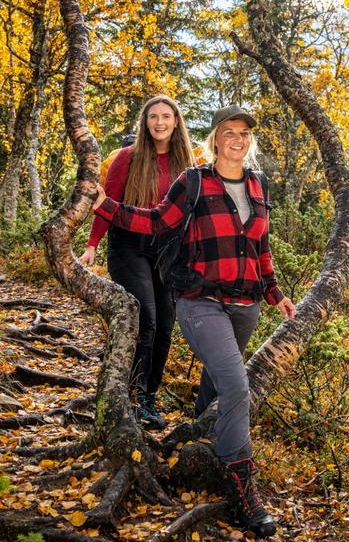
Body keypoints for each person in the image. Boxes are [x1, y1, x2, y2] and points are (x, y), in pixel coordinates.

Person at [92, 104, 295, 538]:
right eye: (229, 132)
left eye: (244, 133)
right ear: (215, 138)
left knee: (216, 386)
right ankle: (242, 485)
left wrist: (275, 292)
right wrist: (107, 207)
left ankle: (198, 447)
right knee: (237, 383)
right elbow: (155, 221)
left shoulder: (258, 185)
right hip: (200, 299)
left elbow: (261, 247)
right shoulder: (195, 180)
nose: (237, 140)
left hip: (247, 303)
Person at [79, 95, 195, 430]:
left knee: (166, 324)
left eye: (166, 117)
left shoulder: (186, 162)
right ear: (145, 123)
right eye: (153, 117)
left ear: (176, 122)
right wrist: (91, 244)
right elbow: (106, 202)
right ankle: (130, 393)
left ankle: (148, 398)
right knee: (146, 316)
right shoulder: (129, 157)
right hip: (128, 245)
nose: (159, 122)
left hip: (166, 250)